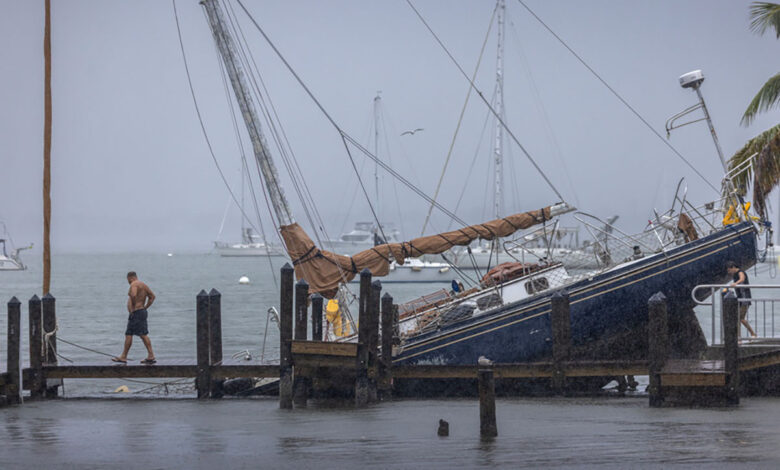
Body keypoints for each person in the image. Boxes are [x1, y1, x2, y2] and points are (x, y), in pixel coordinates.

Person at [113, 271, 157, 364]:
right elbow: (152, 297)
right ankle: (124, 356)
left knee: (141, 334)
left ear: (130, 278)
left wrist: (133, 305)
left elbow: (133, 294)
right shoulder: (144, 285)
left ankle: (150, 355)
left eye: (128, 280)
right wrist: (145, 307)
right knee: (130, 333)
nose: (128, 282)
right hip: (140, 312)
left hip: (137, 313)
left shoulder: (134, 284)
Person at [726, 261, 757, 338]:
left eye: (729, 270)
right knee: (739, 318)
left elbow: (742, 279)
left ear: (733, 267)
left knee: (740, 318)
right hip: (740, 298)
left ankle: (751, 334)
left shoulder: (740, 272)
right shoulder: (734, 275)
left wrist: (735, 284)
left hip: (745, 298)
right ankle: (739, 337)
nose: (729, 272)